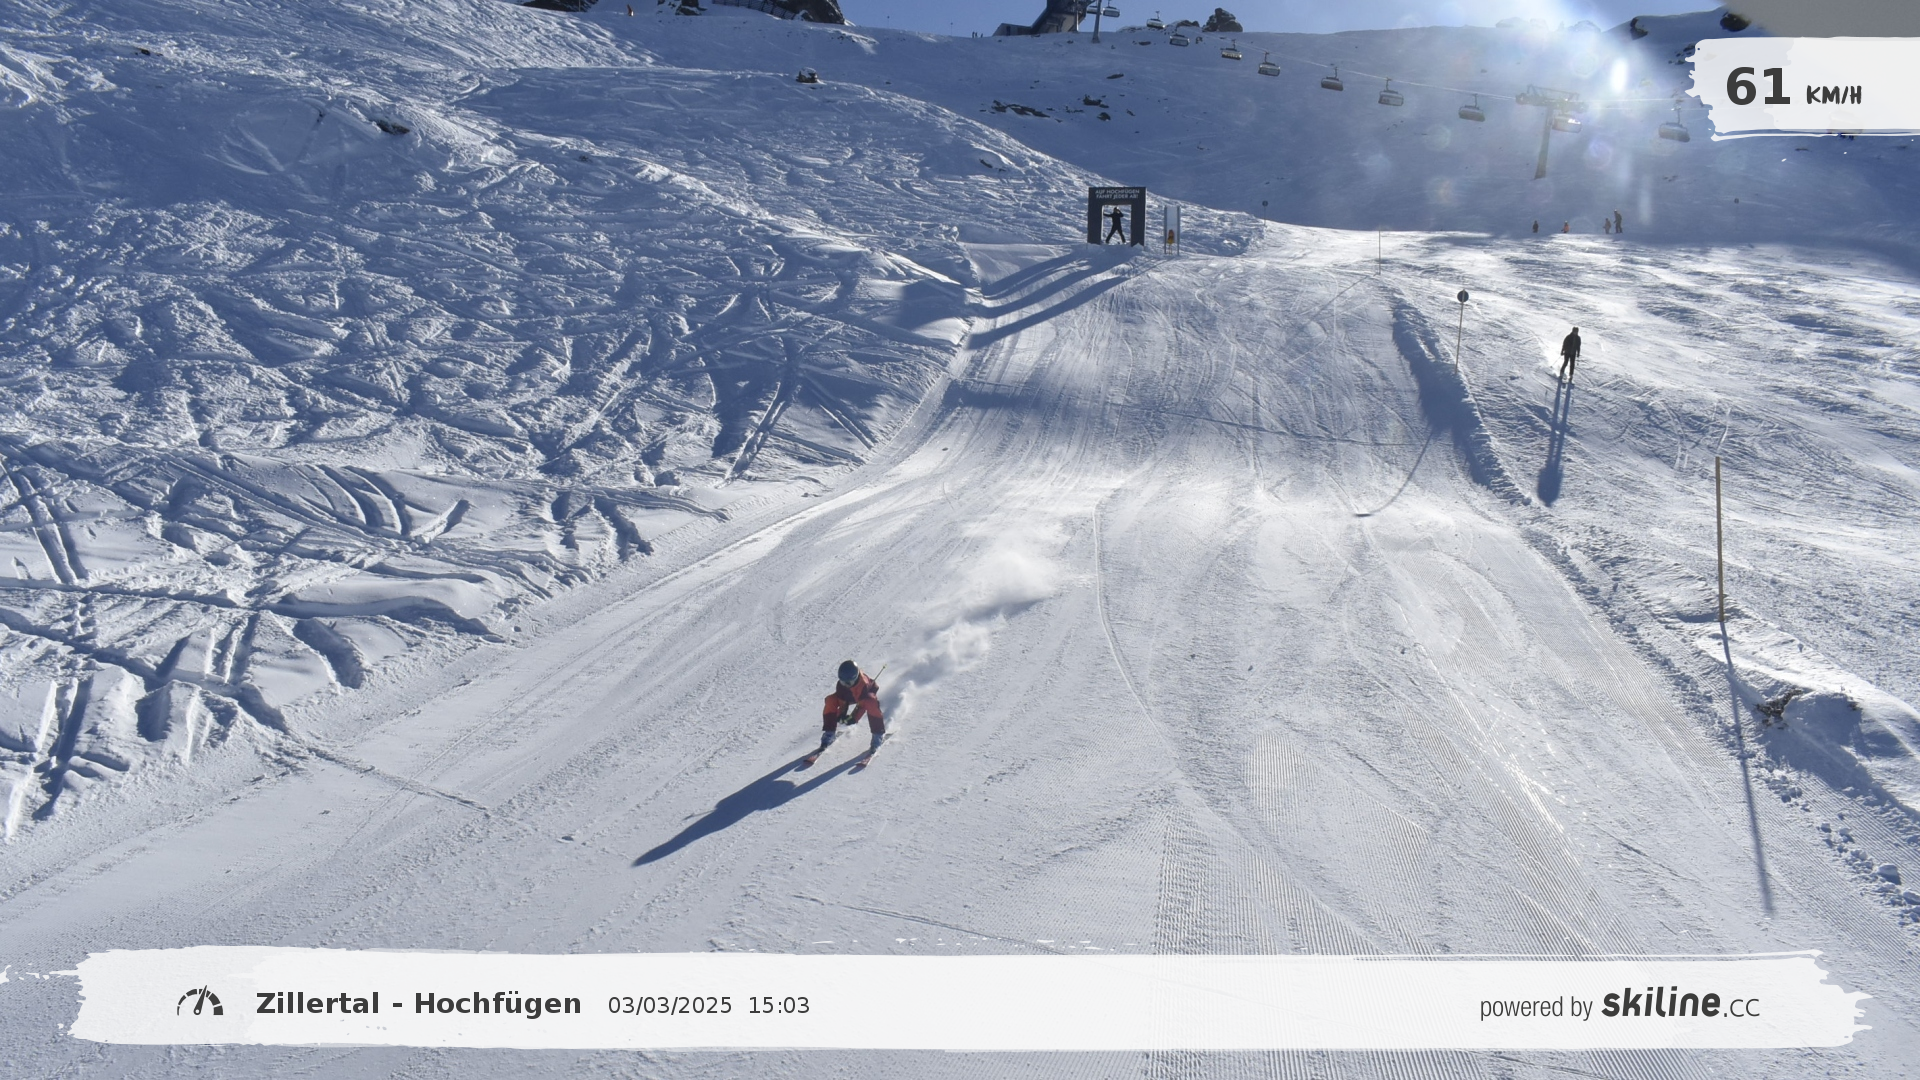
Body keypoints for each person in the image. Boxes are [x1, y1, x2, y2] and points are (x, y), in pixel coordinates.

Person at [812, 660, 884, 761]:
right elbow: (842, 700)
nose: (845, 684)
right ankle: (829, 733)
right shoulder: (842, 685)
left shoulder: (863, 685)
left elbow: (861, 706)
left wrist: (854, 718)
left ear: (855, 678)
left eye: (848, 682)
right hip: (850, 696)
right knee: (830, 700)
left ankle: (878, 736)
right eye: (842, 681)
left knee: (871, 702)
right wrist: (841, 715)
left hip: (865, 696)